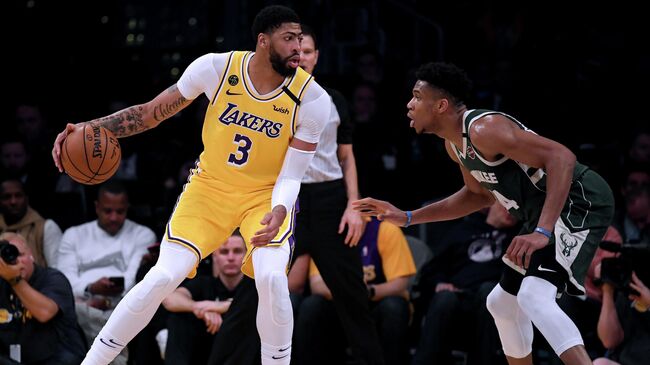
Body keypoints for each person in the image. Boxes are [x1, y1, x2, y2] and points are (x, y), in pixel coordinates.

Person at [51, 5, 329, 365]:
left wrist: (279, 209)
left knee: (272, 279)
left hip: (265, 196)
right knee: (161, 277)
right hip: (210, 187)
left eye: (301, 39)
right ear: (263, 41)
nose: (298, 47)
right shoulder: (216, 68)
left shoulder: (312, 100)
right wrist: (89, 127)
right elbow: (151, 113)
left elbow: (291, 175)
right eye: (288, 38)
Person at [353, 62, 615, 365]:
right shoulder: (456, 146)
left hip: (580, 201)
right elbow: (478, 196)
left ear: (440, 105)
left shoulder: (484, 128)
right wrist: (408, 216)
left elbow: (562, 157)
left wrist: (542, 232)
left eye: (416, 96)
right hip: (542, 214)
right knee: (501, 303)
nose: (409, 104)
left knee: (533, 296)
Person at [56, 180, 156, 364]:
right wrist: (90, 288)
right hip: (82, 305)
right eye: (107, 211)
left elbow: (134, 280)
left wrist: (106, 299)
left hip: (123, 304)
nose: (113, 217)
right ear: (96, 207)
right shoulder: (74, 235)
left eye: (120, 212)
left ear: (128, 208)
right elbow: (63, 282)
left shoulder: (143, 234)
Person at [294, 216, 416, 365]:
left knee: (394, 307)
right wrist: (350, 291)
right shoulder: (325, 234)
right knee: (312, 306)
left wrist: (368, 291)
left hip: (374, 304)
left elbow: (400, 283)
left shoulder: (385, 229)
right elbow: (317, 284)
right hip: (341, 306)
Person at [0, 232, 86, 364]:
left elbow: (45, 312)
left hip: (57, 359)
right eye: (6, 258)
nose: (15, 261)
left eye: (19, 254)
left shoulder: (53, 279)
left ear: (31, 255)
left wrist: (14, 280)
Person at [162, 232, 246, 365]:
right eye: (224, 252)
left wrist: (219, 307)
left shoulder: (254, 285)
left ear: (247, 255)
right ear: (215, 256)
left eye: (237, 251)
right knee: (178, 317)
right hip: (205, 348)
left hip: (243, 352)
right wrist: (198, 308)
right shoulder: (205, 283)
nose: (231, 257)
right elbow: (169, 299)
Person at [0, 176, 63, 267]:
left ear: (26, 199)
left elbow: (58, 270)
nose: (13, 201)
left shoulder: (46, 227)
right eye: (7, 197)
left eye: (18, 195)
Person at [593, 271, 650, 365]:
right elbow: (609, 341)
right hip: (627, 359)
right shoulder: (627, 281)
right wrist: (607, 290)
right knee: (600, 363)